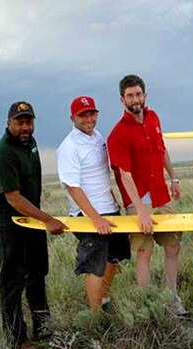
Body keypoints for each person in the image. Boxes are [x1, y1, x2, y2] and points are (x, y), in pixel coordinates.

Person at [0, 101, 67, 349]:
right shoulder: (2, 153)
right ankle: (17, 341)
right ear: (8, 123)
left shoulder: (30, 144)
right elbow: (14, 198)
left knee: (37, 273)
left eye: (29, 121)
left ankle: (43, 327)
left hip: (31, 221)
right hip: (10, 225)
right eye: (19, 122)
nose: (25, 127)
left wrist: (40, 219)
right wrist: (48, 219)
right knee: (12, 283)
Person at [107, 75, 187, 316]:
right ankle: (148, 304)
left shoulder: (153, 118)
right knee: (144, 251)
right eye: (130, 95)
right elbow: (124, 174)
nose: (135, 99)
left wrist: (173, 178)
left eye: (138, 94)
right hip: (139, 199)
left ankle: (172, 298)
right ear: (122, 99)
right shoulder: (118, 133)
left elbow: (161, 149)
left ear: (145, 95)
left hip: (161, 194)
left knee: (173, 246)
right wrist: (140, 209)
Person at [56, 96, 130, 313]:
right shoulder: (69, 147)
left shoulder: (97, 137)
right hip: (88, 216)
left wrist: (112, 197)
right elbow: (73, 187)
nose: (88, 119)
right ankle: (95, 315)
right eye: (82, 115)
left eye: (91, 113)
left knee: (114, 258)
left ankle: (103, 299)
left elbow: (100, 174)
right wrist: (95, 218)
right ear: (73, 118)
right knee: (95, 264)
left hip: (110, 208)